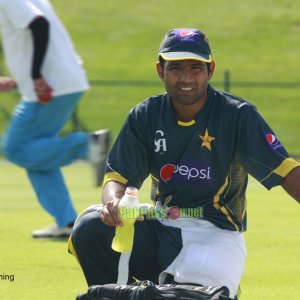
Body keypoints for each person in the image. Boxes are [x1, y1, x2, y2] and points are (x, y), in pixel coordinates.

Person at [68, 28, 300, 299]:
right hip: (161, 221)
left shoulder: (237, 115)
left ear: (210, 70)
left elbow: (286, 172)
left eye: (195, 68)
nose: (186, 77)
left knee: (200, 296)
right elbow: (117, 176)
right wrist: (113, 202)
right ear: (160, 70)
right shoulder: (145, 115)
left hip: (214, 231)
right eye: (176, 68)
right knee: (91, 224)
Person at [0, 0, 110, 238]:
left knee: (16, 148)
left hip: (49, 87)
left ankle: (88, 145)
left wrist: (35, 75)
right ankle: (67, 221)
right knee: (37, 157)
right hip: (64, 83)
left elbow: (38, 25)